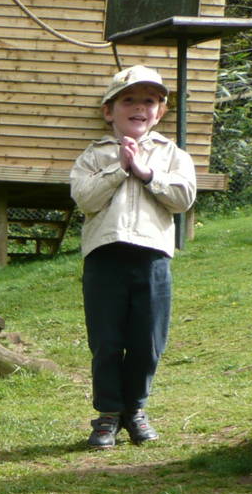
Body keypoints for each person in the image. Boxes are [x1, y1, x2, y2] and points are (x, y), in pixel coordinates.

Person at [69, 65, 197, 449]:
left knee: (148, 342)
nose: (140, 107)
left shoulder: (173, 155)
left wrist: (144, 172)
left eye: (150, 101)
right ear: (110, 110)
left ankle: (135, 411)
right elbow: (85, 199)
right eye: (129, 99)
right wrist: (117, 169)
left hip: (152, 260)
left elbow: (182, 199)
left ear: (159, 112)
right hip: (104, 258)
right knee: (107, 342)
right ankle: (108, 414)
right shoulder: (92, 157)